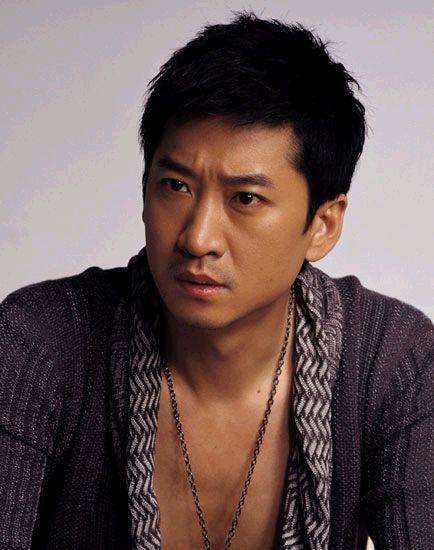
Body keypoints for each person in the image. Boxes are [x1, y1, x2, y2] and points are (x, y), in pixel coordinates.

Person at [0, 10, 432, 550]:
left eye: (245, 198)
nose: (197, 238)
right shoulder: (39, 345)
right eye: (176, 186)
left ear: (323, 226)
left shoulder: (391, 363)